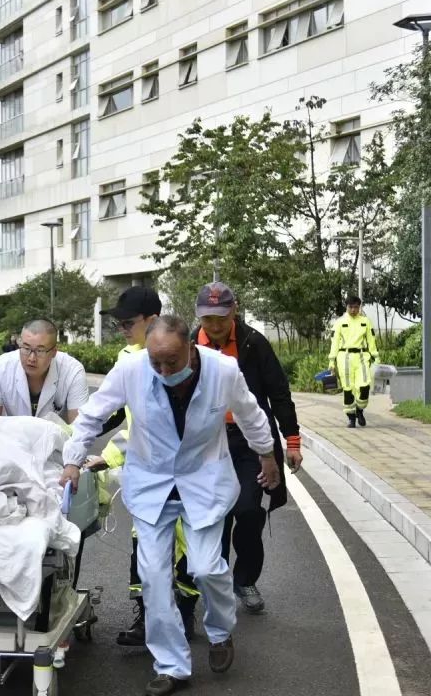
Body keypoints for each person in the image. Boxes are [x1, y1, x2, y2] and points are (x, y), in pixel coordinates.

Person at [61, 316, 279, 696]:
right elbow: (93, 415)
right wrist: (72, 460)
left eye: (172, 362)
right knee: (154, 577)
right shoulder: (131, 369)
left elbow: (250, 414)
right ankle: (172, 665)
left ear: (191, 349)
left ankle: (220, 632)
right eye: (155, 362)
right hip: (152, 484)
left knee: (207, 567)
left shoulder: (223, 370)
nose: (163, 370)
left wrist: (268, 455)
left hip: (204, 482)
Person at [87, 287, 200, 647]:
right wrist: (80, 443)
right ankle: (146, 617)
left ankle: (185, 614)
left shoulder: (182, 356)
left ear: (152, 320)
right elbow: (126, 420)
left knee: (188, 548)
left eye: (127, 322)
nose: (121, 328)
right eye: (117, 322)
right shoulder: (126, 359)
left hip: (187, 470)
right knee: (143, 548)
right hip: (146, 474)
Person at [193, 282, 302, 614]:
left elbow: (278, 393)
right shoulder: (188, 347)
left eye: (220, 318)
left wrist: (291, 439)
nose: (214, 326)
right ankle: (216, 580)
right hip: (207, 442)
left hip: (249, 442)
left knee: (249, 510)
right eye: (208, 319)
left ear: (234, 311)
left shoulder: (254, 344)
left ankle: (244, 578)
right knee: (217, 516)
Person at [0, 319, 89, 423]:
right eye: (26, 348)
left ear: (54, 352)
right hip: (14, 439)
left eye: (40, 351)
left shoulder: (73, 371)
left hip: (58, 441)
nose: (31, 358)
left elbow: (80, 432)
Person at [328, 295, 380, 428]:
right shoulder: (340, 322)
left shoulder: (365, 321)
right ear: (347, 307)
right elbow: (334, 343)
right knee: (348, 388)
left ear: (359, 307)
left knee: (364, 386)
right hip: (344, 357)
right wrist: (332, 361)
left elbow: (371, 340)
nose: (353, 310)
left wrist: (376, 356)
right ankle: (351, 418)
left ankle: (359, 410)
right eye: (351, 307)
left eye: (356, 307)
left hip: (362, 356)